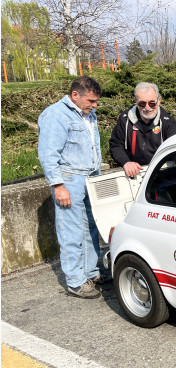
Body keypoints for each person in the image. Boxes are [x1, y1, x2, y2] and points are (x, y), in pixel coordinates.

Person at [38, 76, 103, 299]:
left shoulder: (87, 114)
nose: (94, 105)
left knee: (90, 227)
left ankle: (91, 272)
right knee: (71, 231)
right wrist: (58, 186)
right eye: (91, 100)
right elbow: (48, 154)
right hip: (69, 178)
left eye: (96, 102)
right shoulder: (56, 115)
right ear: (75, 95)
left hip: (90, 177)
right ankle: (76, 281)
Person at [109, 82, 176, 177]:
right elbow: (115, 144)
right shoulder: (125, 119)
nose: (147, 108)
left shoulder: (167, 121)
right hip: (133, 173)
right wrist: (126, 162)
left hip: (161, 172)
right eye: (142, 103)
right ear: (136, 102)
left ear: (159, 101)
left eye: (152, 103)